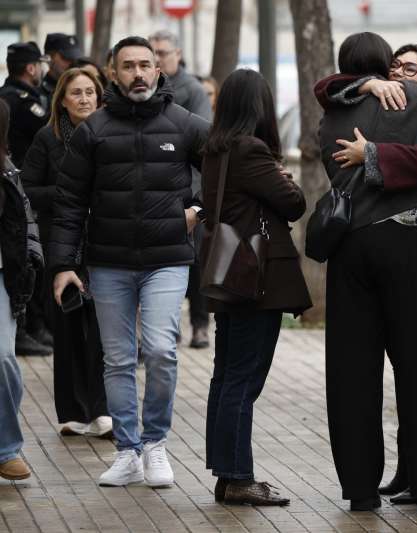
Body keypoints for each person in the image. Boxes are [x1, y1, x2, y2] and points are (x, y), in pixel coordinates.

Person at [318, 31, 417, 514]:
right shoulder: (416, 101)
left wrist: (361, 88)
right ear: (384, 64)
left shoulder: (333, 111)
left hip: (348, 246)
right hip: (404, 241)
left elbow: (325, 87)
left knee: (351, 370)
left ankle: (361, 489)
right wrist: (403, 88)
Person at [49, 36, 209, 488]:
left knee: (160, 351)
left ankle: (155, 444)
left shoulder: (185, 123)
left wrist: (199, 210)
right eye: (128, 66)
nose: (138, 73)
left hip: (167, 259)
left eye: (145, 65)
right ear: (113, 73)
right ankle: (128, 450)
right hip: (108, 263)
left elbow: (225, 170)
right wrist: (62, 265)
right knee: (118, 360)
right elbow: (69, 203)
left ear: (158, 70)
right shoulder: (93, 131)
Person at [202, 68, 311, 506]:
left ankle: (227, 475)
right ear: (259, 107)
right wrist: (287, 180)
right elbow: (293, 203)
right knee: (243, 380)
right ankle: (237, 477)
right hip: (255, 278)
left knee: (227, 376)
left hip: (228, 273)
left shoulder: (216, 150)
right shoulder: (251, 150)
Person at [21, 67, 111, 438]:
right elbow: (28, 189)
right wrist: (66, 193)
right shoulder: (48, 138)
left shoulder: (110, 133)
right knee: (69, 324)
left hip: (104, 241)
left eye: (90, 92)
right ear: (62, 100)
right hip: (61, 242)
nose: (84, 99)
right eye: (76, 92)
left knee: (104, 328)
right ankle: (74, 411)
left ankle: (104, 409)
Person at [150, 29, 213, 350]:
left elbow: (201, 142)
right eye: (154, 53)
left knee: (197, 260)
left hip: (190, 187)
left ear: (178, 54)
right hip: (159, 188)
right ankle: (168, 326)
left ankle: (200, 325)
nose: (158, 59)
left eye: (163, 52)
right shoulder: (147, 90)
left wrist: (196, 202)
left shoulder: (193, 90)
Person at [0, 98, 44, 481]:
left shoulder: (8, 170)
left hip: (4, 275)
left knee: (2, 357)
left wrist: (32, 258)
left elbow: (26, 222)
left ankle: (6, 448)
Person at [1, 42, 52, 357]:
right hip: (15, 186)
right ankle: (23, 329)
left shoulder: (8, 96)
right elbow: (47, 127)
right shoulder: (20, 101)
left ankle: (26, 328)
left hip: (14, 185)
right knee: (25, 258)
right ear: (31, 68)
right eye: (39, 65)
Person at [41, 33, 83, 107]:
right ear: (50, 58)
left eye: (74, 59)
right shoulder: (40, 93)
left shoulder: (83, 87)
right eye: (66, 58)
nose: (71, 63)